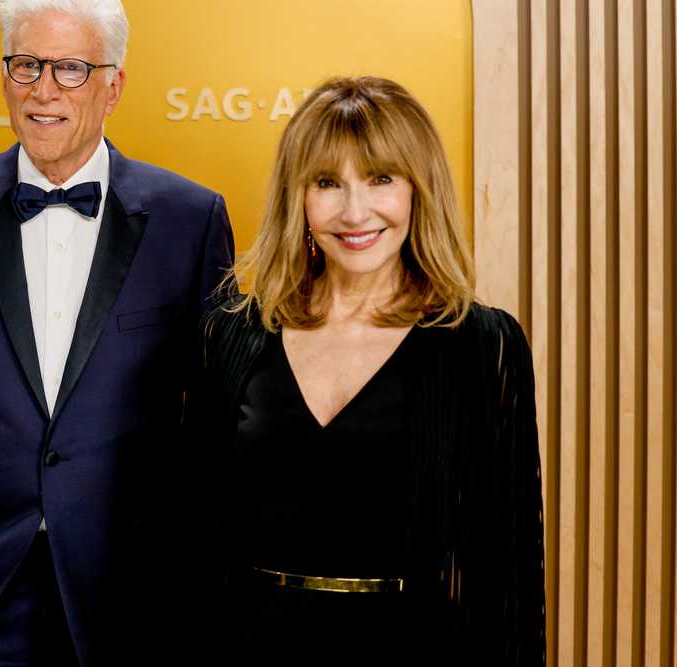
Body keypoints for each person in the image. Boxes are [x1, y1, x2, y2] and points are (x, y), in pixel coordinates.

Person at [0, 0, 234, 667]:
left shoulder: (190, 219)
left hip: (127, 595)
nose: (43, 90)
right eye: (26, 65)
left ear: (113, 87)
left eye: (70, 68)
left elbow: (211, 429)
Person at [192, 76, 545, 665]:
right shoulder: (230, 334)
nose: (355, 212)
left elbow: (508, 567)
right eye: (327, 183)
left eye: (381, 179)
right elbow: (194, 539)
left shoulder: (483, 345)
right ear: (298, 198)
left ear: (418, 190)